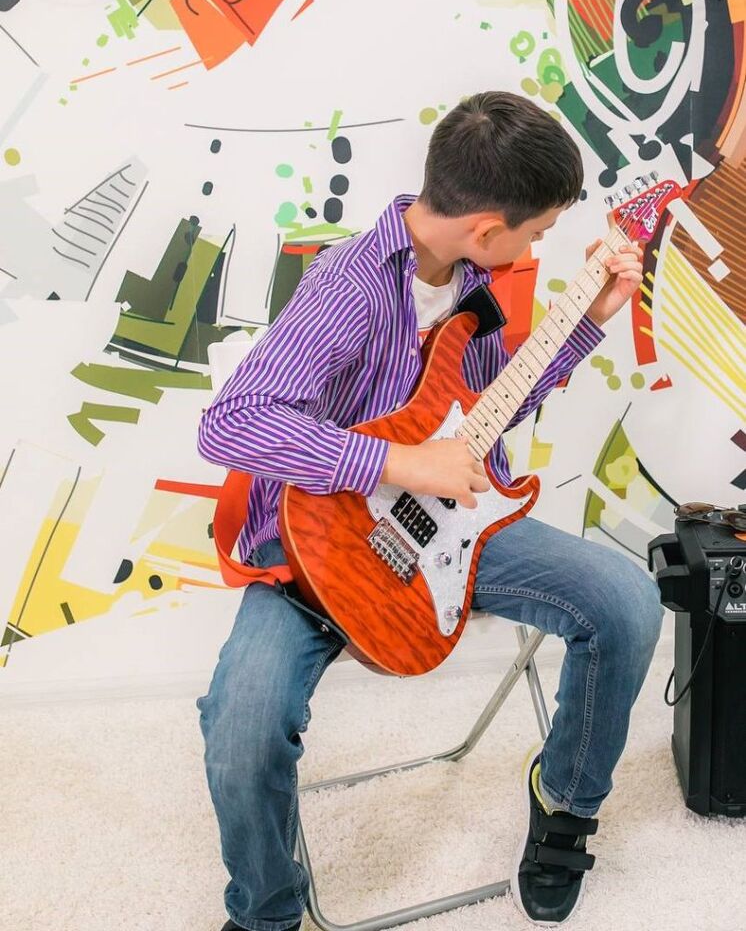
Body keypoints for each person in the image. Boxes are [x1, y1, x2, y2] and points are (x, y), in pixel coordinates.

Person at [196, 91, 663, 930]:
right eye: (535, 232)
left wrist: (586, 325)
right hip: (321, 547)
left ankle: (564, 806)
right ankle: (266, 911)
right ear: (486, 228)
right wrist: (397, 461)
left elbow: (481, 415)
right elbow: (231, 423)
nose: (536, 247)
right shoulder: (346, 287)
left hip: (456, 529)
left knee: (627, 601)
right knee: (243, 728)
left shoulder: (473, 283)